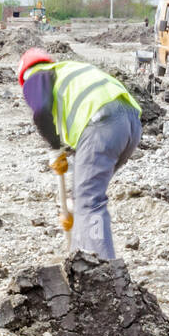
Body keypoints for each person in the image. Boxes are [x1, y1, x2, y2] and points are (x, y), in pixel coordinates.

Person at [18, 48, 143, 260]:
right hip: (130, 123)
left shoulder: (36, 76)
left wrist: (54, 146)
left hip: (102, 122)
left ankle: (103, 267)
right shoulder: (68, 71)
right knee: (84, 196)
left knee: (89, 200)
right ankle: (80, 256)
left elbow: (41, 113)